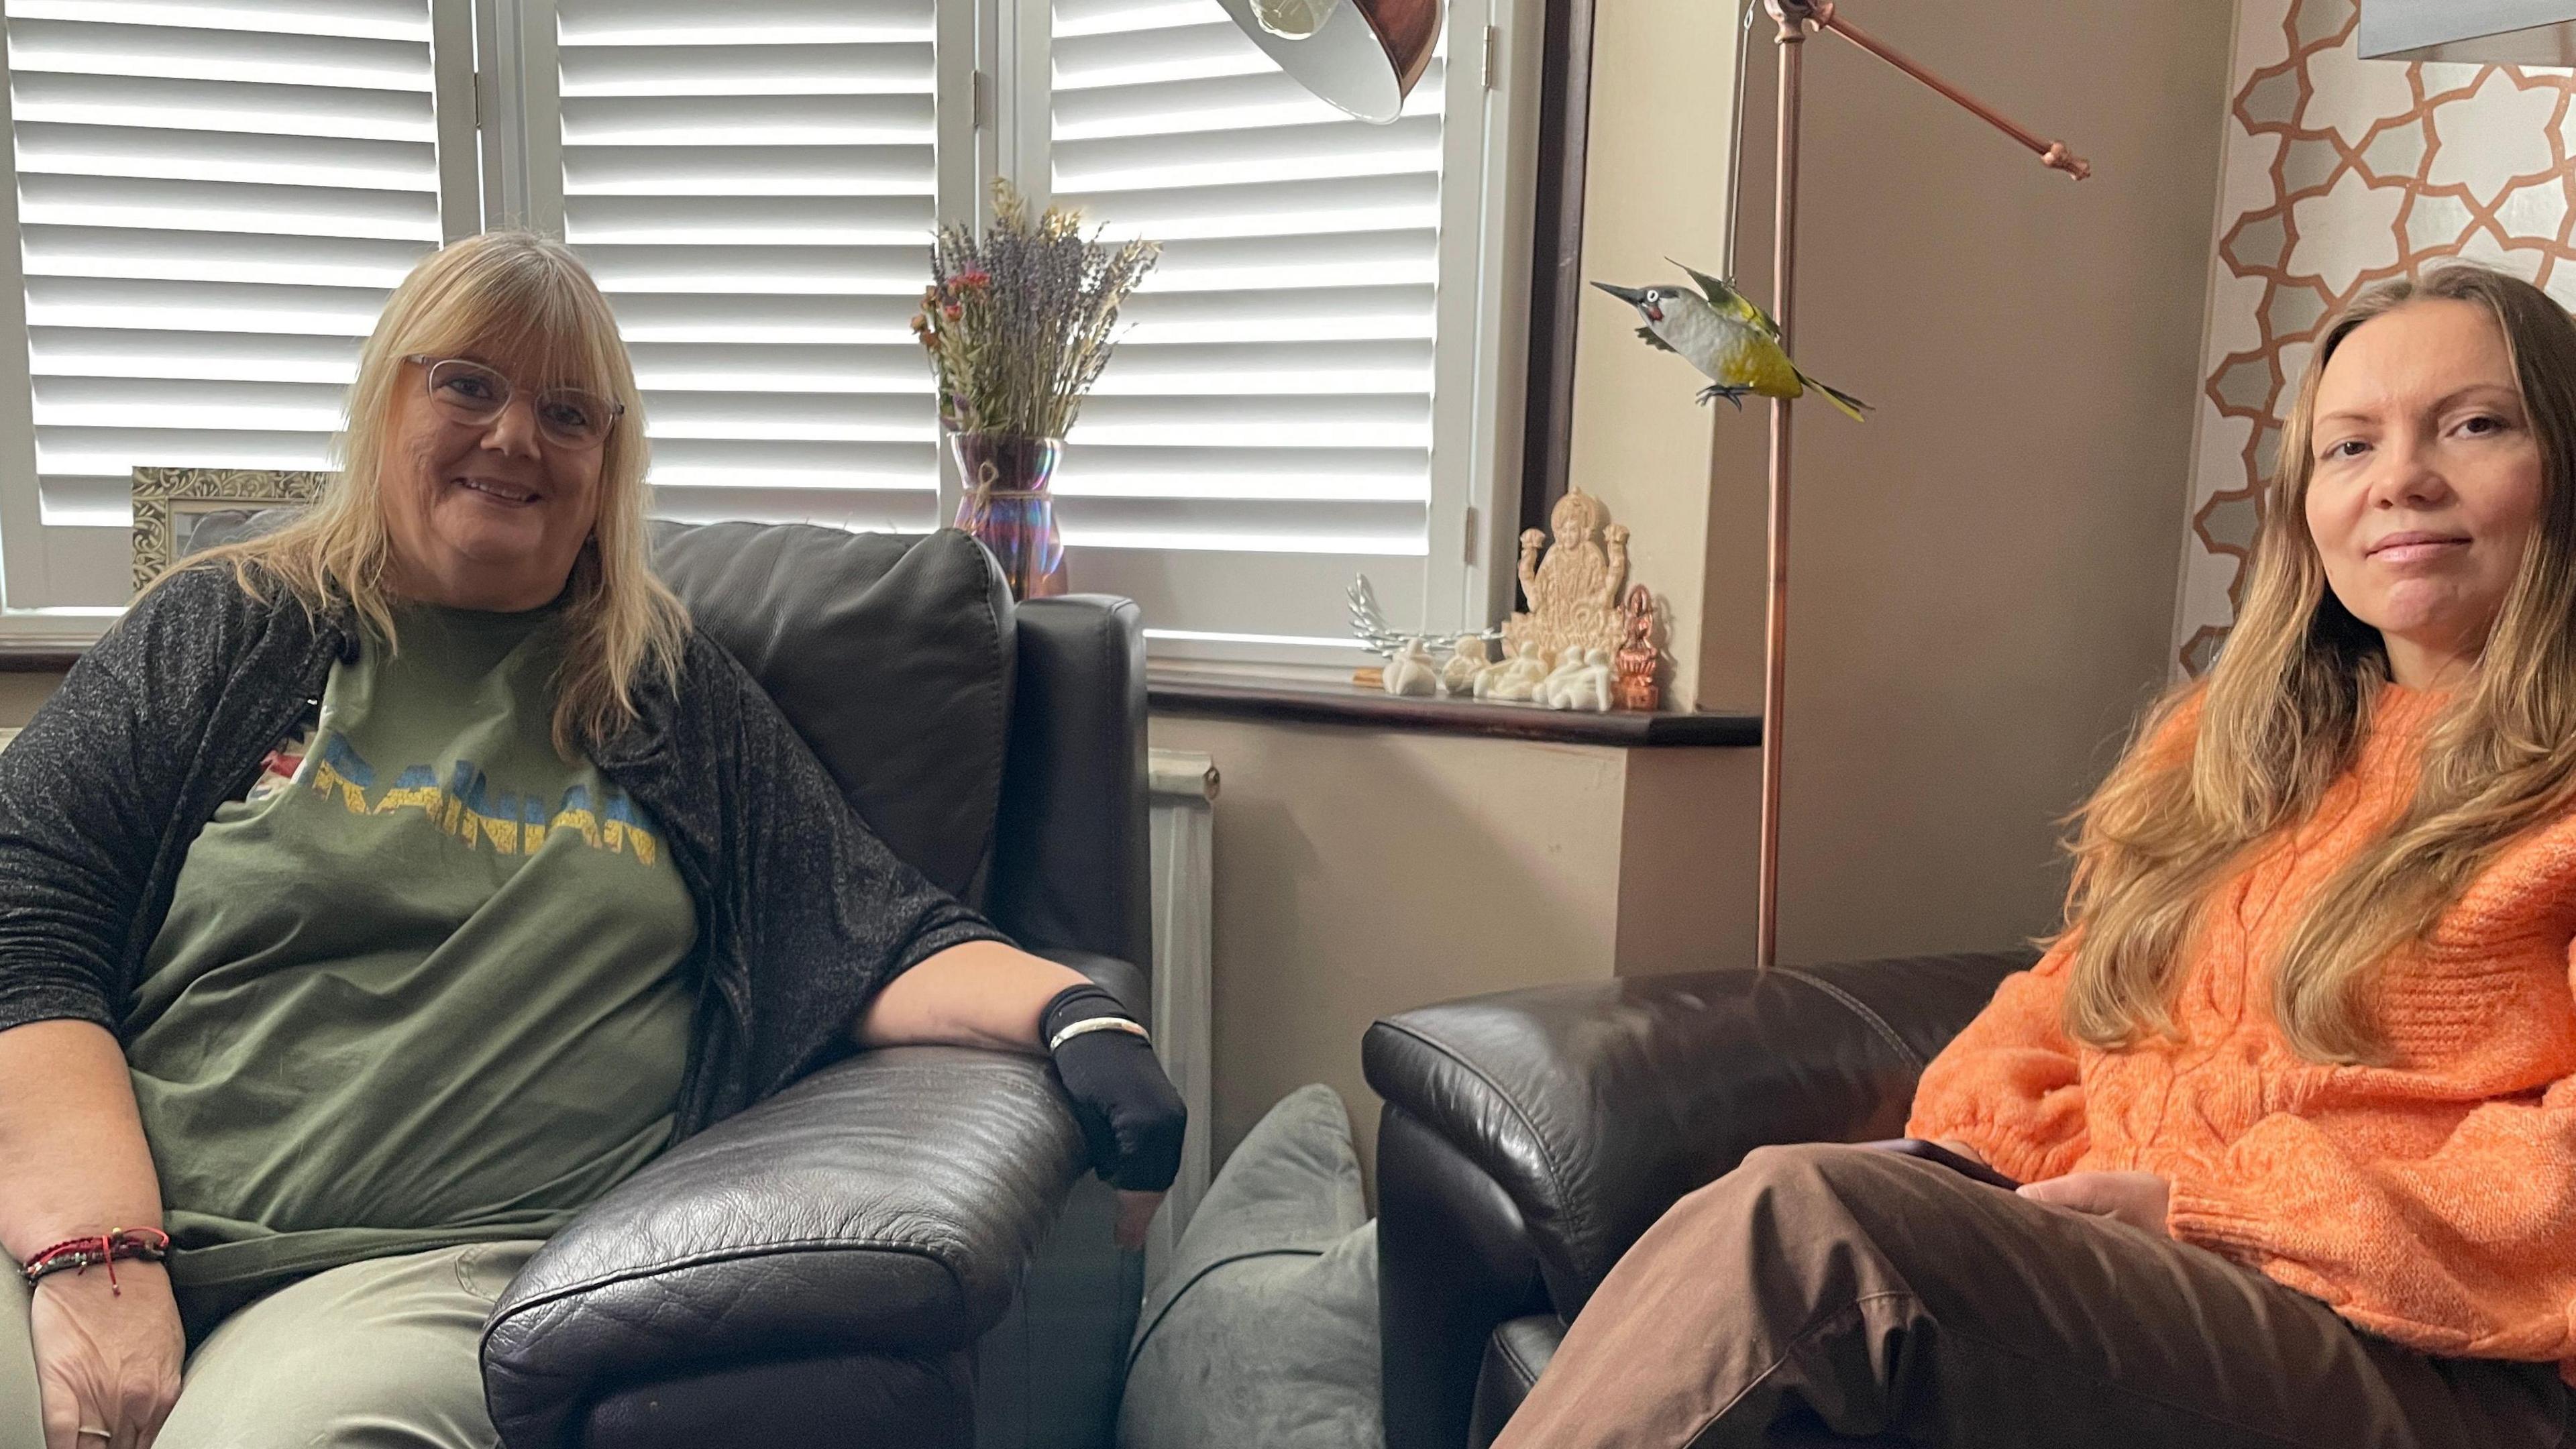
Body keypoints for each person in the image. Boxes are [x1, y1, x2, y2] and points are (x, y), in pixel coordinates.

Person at [0, 231, 1185, 1449]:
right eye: (468, 384)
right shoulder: (233, 624)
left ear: (607, 462)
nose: (515, 436)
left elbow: (866, 928)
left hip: (410, 1285)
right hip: (83, 1215)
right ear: (384, 397)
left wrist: (1080, 1018)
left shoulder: (659, 691)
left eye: (568, 413)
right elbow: (25, 894)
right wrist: (97, 1248)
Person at [1496, 264, 2576, 1448]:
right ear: (2305, 502)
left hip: (2440, 1354)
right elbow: (2069, 1002)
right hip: (2163, 1279)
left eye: (2474, 425)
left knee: (1806, 1231)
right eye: (2350, 447)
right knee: (1793, 1215)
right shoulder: (2231, 746)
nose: (2402, 481)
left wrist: (2209, 1208)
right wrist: (1986, 1176)